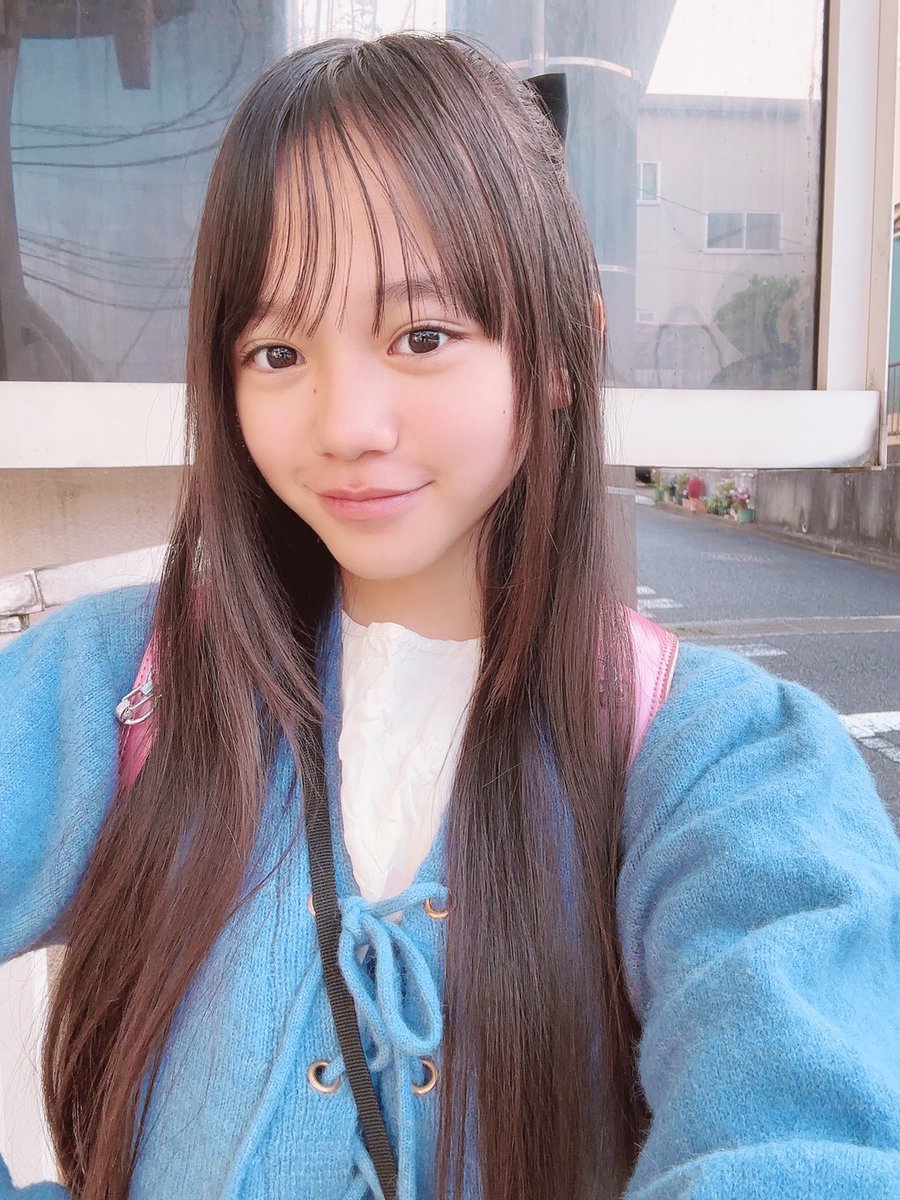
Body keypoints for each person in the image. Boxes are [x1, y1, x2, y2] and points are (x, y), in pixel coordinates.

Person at [1, 31, 899, 1200]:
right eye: (276, 350)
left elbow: (808, 1129)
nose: (345, 424)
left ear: (562, 349)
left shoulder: (726, 764)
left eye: (422, 337)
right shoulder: (122, 685)